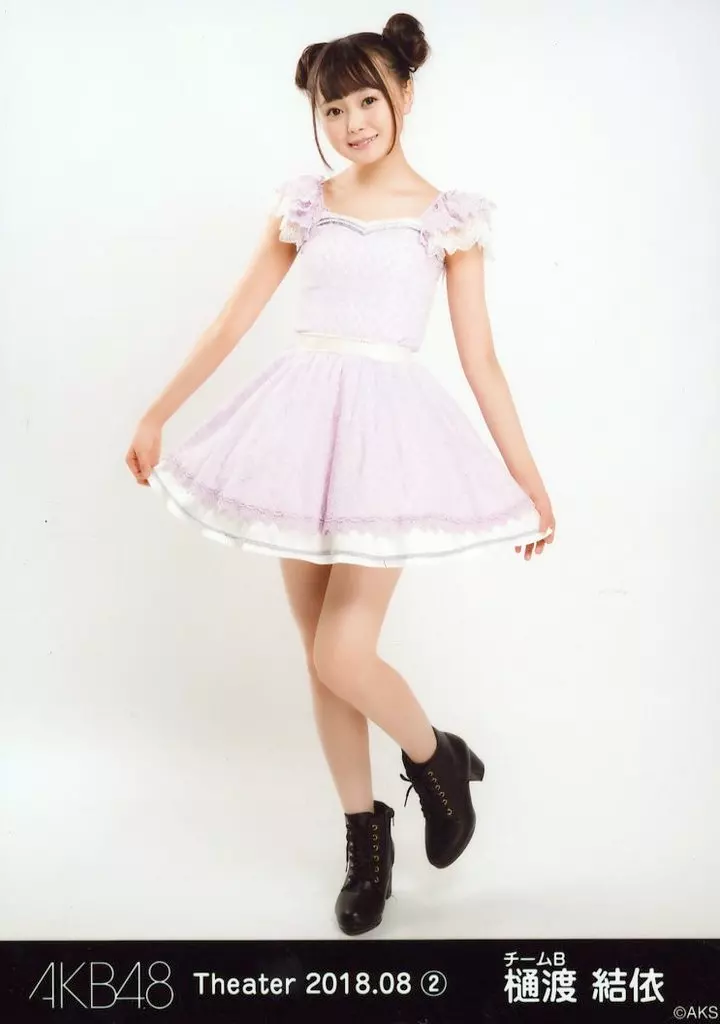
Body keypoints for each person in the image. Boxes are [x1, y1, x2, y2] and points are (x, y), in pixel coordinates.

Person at [125, 12, 556, 937]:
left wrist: (529, 482)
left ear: (405, 95)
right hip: (297, 431)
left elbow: (482, 360)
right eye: (333, 108)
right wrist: (159, 412)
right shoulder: (307, 204)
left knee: (341, 653)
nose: (353, 122)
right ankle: (367, 838)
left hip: (386, 443)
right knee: (317, 655)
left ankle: (437, 759)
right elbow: (234, 318)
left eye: (368, 100)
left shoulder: (448, 219)